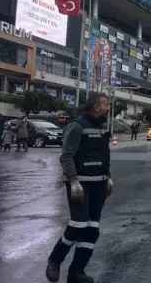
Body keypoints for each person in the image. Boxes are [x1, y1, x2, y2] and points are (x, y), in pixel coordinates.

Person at [46, 93, 113, 283]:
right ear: (95, 106)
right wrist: (73, 181)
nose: (108, 108)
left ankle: (76, 272)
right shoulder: (77, 126)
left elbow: (104, 156)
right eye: (105, 104)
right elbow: (66, 156)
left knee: (92, 230)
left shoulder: (101, 127)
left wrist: (109, 178)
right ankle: (55, 260)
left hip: (99, 185)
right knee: (78, 225)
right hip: (81, 185)